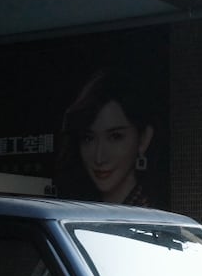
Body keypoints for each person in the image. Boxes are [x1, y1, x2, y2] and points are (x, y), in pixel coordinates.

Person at [58, 69, 155, 205]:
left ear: (143, 139)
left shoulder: (150, 217)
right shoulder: (77, 210)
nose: (99, 157)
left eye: (115, 137)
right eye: (88, 138)